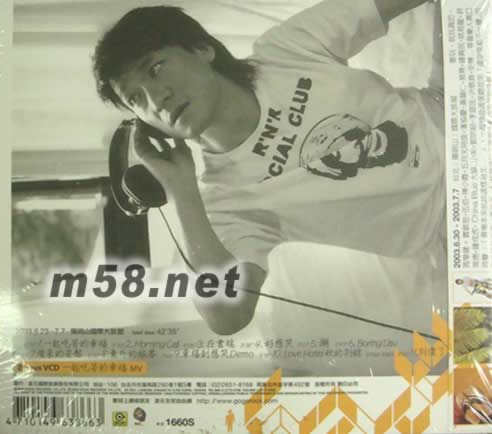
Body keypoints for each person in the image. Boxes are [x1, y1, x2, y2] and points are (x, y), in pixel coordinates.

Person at [92, 0, 445, 336]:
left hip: (455, 113)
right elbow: (226, 316)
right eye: (136, 99)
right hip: (453, 225)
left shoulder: (285, 48)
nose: (156, 99)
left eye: (156, 69)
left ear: (202, 49)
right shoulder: (227, 203)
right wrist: (182, 192)